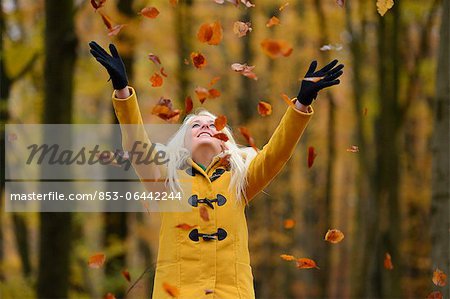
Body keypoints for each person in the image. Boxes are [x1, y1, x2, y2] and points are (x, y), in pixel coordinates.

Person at [89, 41, 343, 299]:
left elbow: (276, 154)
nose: (205, 127)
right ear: (182, 143)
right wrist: (122, 91)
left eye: (213, 124)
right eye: (195, 125)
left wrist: (300, 104)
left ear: (226, 143)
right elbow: (136, 144)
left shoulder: (241, 181)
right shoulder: (165, 181)